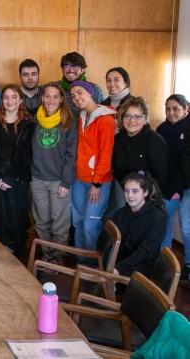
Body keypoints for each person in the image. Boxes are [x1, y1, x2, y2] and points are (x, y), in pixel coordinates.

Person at [112, 97, 182, 253]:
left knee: (158, 229)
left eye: (138, 116)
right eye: (128, 116)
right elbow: (118, 170)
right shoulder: (118, 139)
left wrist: (141, 197)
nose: (132, 120)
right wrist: (131, 192)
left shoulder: (154, 140)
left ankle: (161, 270)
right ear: (122, 118)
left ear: (145, 119)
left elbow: (161, 177)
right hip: (140, 191)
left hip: (165, 191)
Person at [29, 82, 77, 266]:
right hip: (38, 178)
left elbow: (71, 155)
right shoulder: (35, 119)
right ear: (42, 98)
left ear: (61, 99)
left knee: (59, 223)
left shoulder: (68, 122)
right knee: (41, 221)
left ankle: (58, 258)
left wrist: (66, 182)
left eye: (55, 96)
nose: (51, 100)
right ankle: (47, 254)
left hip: (59, 181)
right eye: (47, 96)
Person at [0, 85, 35, 257]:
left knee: (16, 218)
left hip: (17, 179)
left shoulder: (28, 124)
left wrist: (10, 178)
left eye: (14, 97)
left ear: (20, 100)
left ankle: (16, 256)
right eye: (6, 97)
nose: (10, 101)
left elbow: (25, 155)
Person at [69, 80, 115, 264]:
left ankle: (94, 265)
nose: (76, 98)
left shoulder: (106, 119)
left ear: (90, 93)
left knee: (90, 225)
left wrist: (96, 183)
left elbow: (106, 154)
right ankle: (82, 263)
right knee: (78, 223)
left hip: (98, 182)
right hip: (79, 180)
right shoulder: (82, 117)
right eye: (72, 95)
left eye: (80, 92)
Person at [112, 172, 166, 278]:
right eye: (126, 191)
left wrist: (119, 267)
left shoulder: (157, 217)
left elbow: (145, 251)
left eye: (135, 191)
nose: (130, 195)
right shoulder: (120, 213)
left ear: (146, 192)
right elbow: (112, 243)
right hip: (122, 260)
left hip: (144, 264)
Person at [164, 94, 190, 281]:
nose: (171, 112)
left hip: (187, 186)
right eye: (168, 109)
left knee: (186, 226)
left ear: (185, 109)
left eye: (176, 109)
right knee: (164, 222)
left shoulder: (187, 127)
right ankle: (165, 263)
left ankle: (188, 265)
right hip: (169, 186)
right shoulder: (161, 129)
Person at [59, 52, 106, 117]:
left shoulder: (94, 89)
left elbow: (104, 112)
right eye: (67, 66)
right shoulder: (56, 88)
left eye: (75, 67)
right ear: (62, 69)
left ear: (82, 70)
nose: (71, 70)